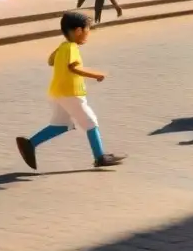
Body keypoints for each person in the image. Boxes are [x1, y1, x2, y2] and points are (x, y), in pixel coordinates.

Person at [15, 11, 125, 170]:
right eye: (88, 30)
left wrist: (59, 53)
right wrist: (96, 75)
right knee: (90, 121)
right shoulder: (72, 47)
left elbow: (50, 61)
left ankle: (30, 144)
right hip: (70, 92)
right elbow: (74, 67)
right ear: (79, 31)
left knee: (60, 124)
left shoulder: (63, 46)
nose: (88, 34)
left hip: (57, 92)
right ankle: (100, 156)